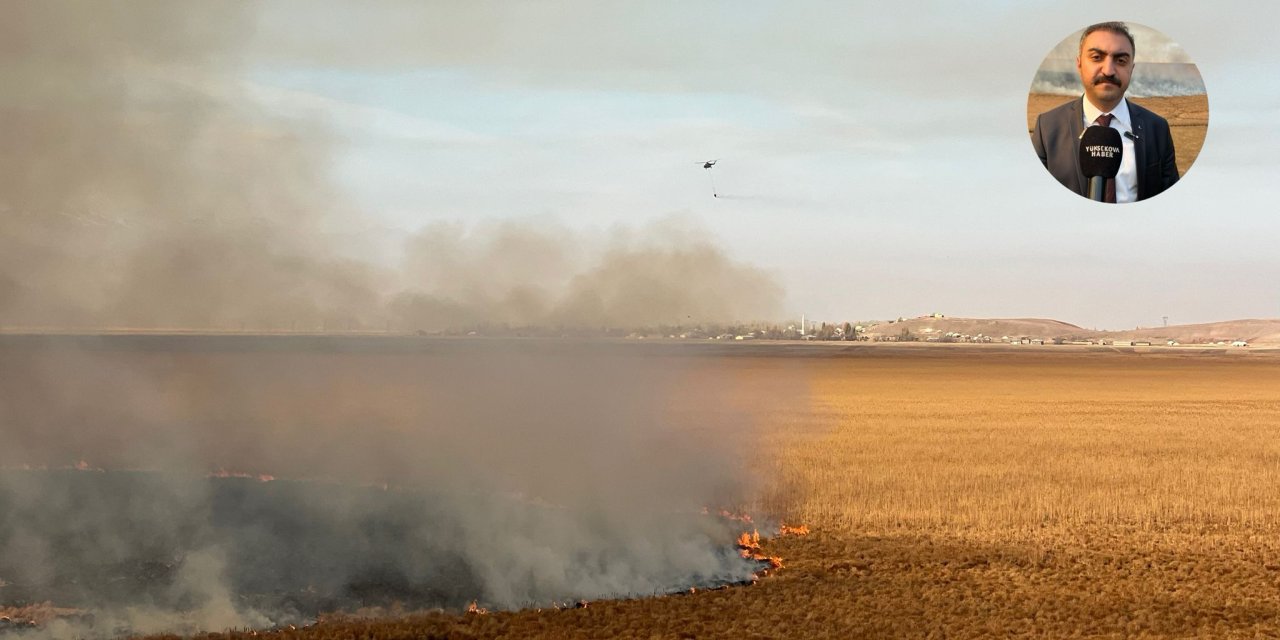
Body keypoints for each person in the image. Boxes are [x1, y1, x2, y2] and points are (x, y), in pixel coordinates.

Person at [1031, 22, 1179, 202]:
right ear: (1079, 64)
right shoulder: (1047, 128)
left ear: (1131, 69)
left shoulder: (1157, 128)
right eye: (1096, 57)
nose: (1108, 70)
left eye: (1121, 60)